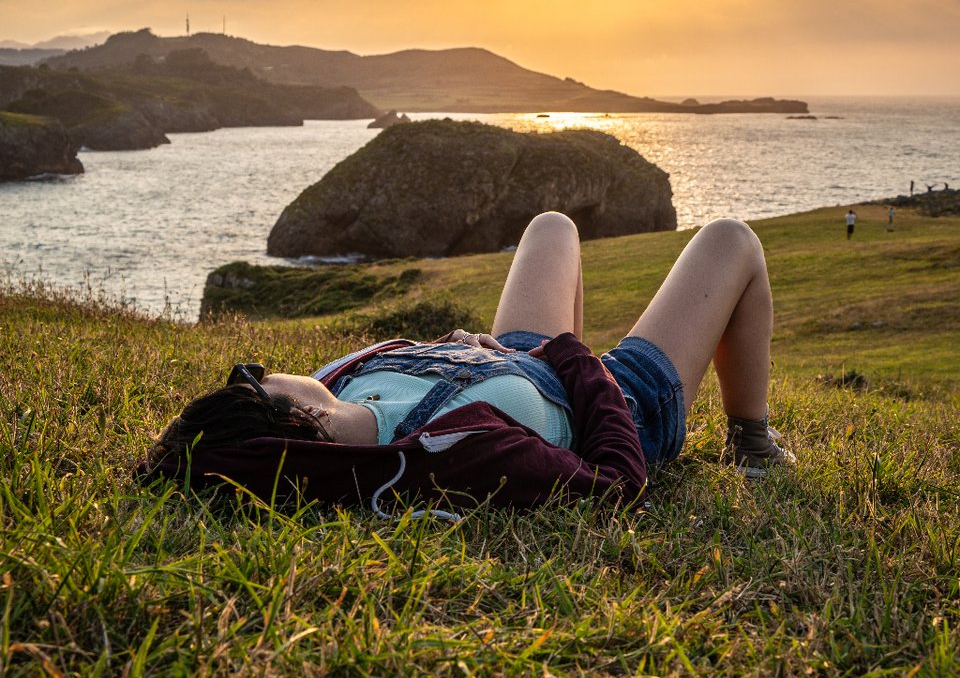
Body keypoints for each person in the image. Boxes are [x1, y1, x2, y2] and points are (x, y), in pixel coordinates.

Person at [142, 212, 792, 513]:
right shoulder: (454, 453)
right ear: (298, 413)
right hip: (618, 402)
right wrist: (569, 357)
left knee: (552, 226)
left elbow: (408, 365)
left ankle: (547, 356)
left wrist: (454, 346)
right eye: (253, 380)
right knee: (731, 241)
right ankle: (752, 441)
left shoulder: (340, 385)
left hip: (513, 357)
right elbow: (617, 480)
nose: (258, 370)